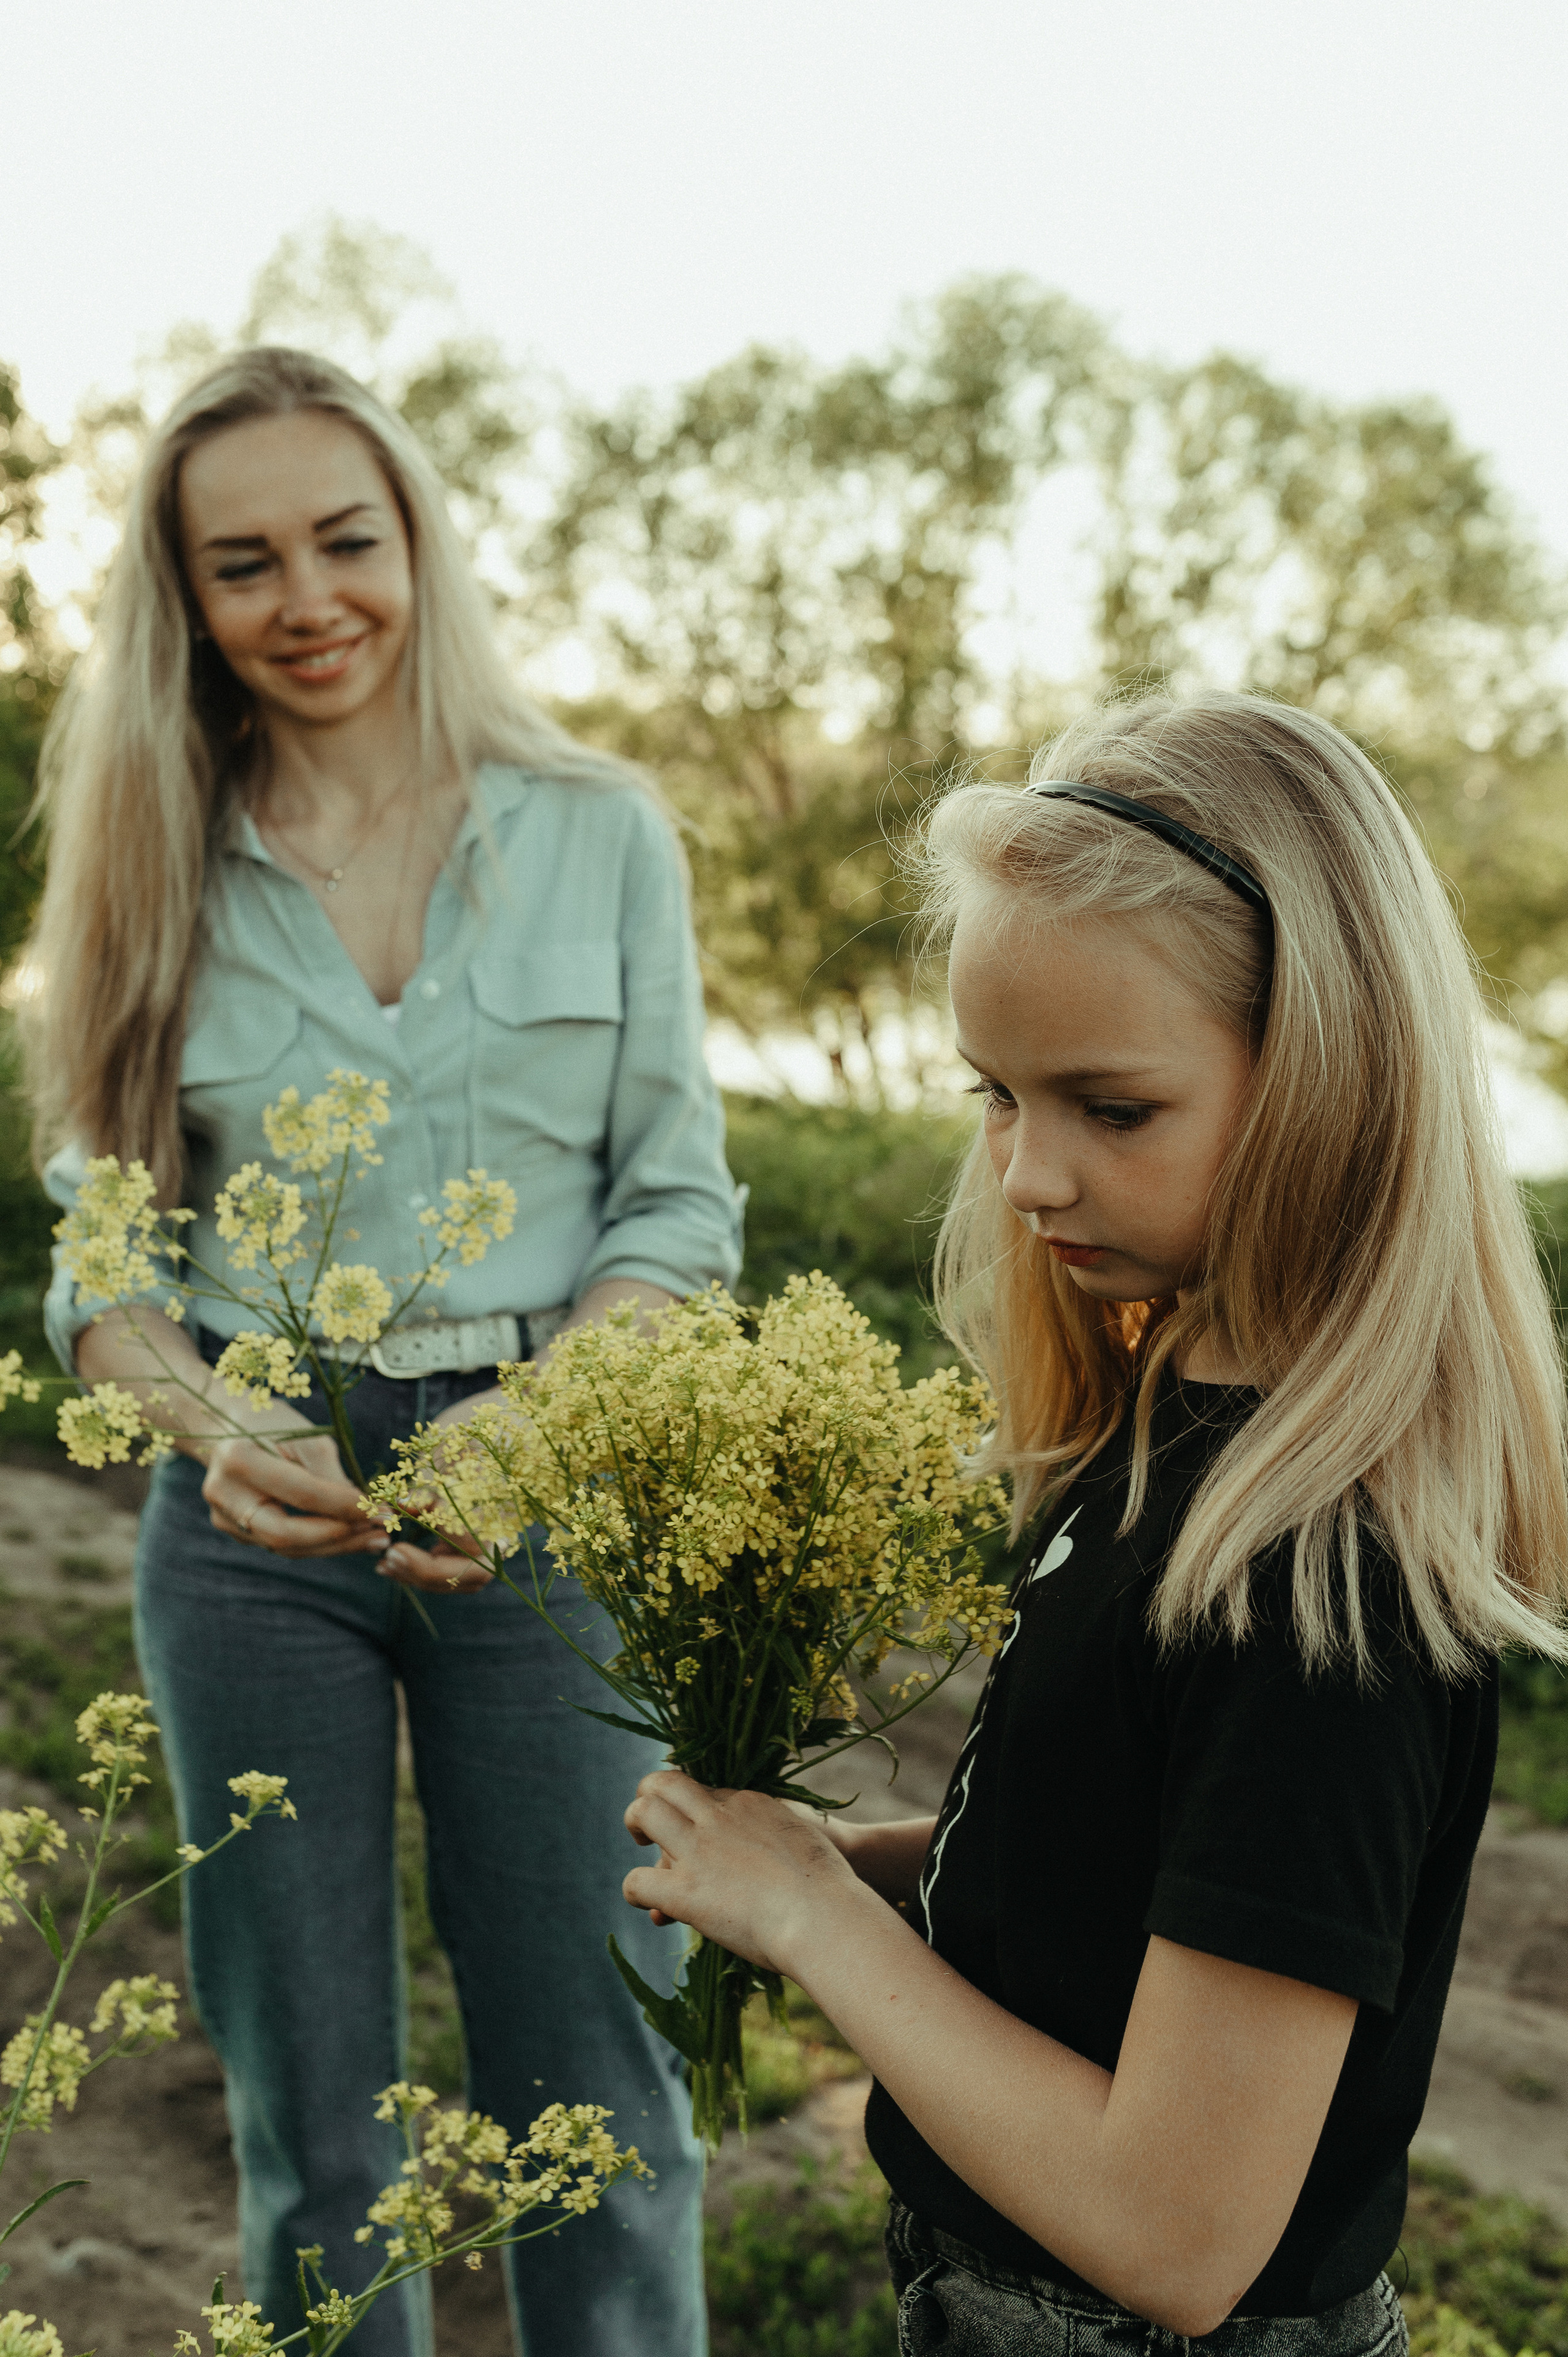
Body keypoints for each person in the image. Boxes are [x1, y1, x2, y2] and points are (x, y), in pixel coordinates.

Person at [619, 692, 1568, 2356]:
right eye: (995, 1093)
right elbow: (1145, 1854)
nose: (1026, 1175)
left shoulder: (1316, 1587)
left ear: (1332, 1081)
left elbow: (1176, 2234)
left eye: (1110, 1109)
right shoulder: (1173, 1400)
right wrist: (880, 1871)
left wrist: (815, 1924)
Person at [26, 346, 741, 2357]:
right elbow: (105, 1268)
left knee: (607, 2116)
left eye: (346, 540)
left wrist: (542, 1418)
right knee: (317, 2143)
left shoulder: (602, 830)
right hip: (255, 1533)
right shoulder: (146, 861)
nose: (309, 600)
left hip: (558, 1496)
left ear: (417, 539)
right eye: (243, 563)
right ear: (187, 599)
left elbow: (676, 1207)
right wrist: (213, 1424)